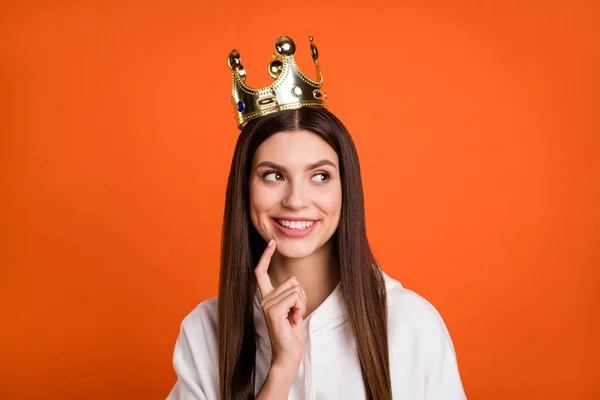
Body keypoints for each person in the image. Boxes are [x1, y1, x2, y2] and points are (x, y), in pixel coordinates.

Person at [166, 36, 467, 400]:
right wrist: (281, 369)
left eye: (320, 176)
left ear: (346, 188)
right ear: (245, 188)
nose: (296, 200)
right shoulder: (204, 332)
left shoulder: (412, 325)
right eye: (273, 175)